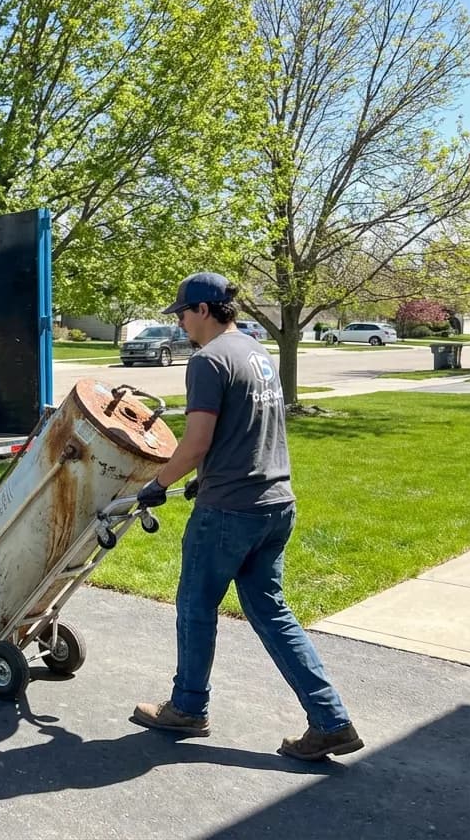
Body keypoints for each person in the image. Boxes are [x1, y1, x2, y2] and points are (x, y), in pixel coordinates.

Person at [129, 271, 363, 761]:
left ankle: (188, 708)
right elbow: (250, 430)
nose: (181, 325)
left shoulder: (209, 361)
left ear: (204, 310)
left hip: (230, 512)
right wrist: (207, 476)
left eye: (184, 315)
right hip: (276, 504)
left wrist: (159, 484)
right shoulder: (258, 354)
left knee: (195, 605)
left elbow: (195, 442)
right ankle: (331, 719)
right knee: (271, 612)